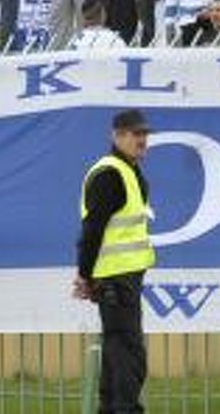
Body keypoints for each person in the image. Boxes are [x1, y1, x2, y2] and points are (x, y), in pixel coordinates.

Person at [76, 108, 154, 414]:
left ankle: (111, 409)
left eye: (145, 134)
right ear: (117, 135)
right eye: (136, 134)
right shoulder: (110, 174)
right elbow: (92, 229)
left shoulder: (129, 171)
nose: (143, 140)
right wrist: (85, 275)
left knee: (116, 350)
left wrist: (88, 275)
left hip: (122, 277)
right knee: (128, 352)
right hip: (115, 278)